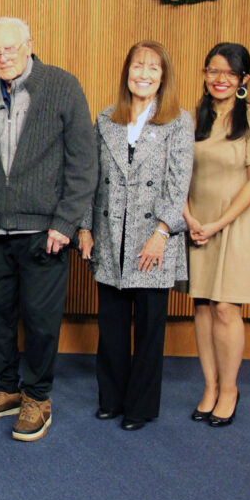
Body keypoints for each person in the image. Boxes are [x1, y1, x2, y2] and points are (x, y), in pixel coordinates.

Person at [0, 16, 96, 442]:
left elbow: (83, 164)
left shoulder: (63, 85)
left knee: (40, 320)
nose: (2, 58)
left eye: (10, 49)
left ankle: (37, 396)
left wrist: (66, 222)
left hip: (45, 232)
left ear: (29, 45)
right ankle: (6, 389)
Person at [77, 41, 193, 431]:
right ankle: (111, 399)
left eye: (153, 68)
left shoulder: (178, 121)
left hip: (153, 239)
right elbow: (90, 180)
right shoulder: (106, 119)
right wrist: (85, 227)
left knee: (148, 328)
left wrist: (162, 233)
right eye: (137, 66)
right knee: (111, 326)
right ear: (127, 72)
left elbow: (178, 185)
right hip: (110, 236)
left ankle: (140, 407)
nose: (143, 74)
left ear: (163, 77)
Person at [183, 43, 250, 427]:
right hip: (196, 223)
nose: (221, 79)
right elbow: (176, 176)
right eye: (214, 71)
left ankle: (230, 390)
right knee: (203, 306)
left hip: (236, 223)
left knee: (225, 308)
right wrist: (189, 218)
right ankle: (209, 386)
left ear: (244, 79)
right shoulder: (190, 119)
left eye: (230, 73)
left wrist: (218, 223)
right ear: (204, 74)